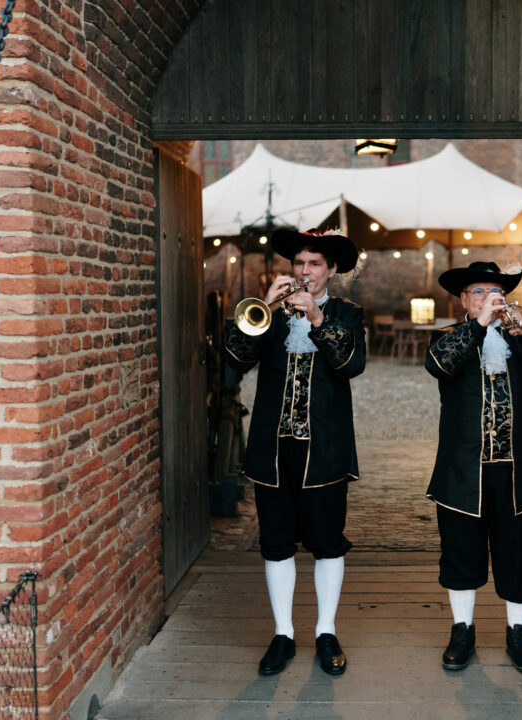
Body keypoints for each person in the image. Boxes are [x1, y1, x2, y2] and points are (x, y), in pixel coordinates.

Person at [224, 228, 365, 677]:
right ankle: (283, 633)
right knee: (276, 543)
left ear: (332, 270)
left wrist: (319, 320)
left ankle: (326, 631)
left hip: (324, 450)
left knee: (327, 544)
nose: (304, 272)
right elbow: (234, 356)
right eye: (299, 264)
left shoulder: (347, 313)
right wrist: (265, 307)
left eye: (314, 264)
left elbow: (351, 363)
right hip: (273, 450)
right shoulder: (270, 312)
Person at [424, 261, 522, 674]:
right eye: (478, 292)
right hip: (461, 469)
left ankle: (518, 633)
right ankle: (462, 630)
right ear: (463, 300)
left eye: (495, 292)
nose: (489, 298)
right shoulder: (449, 337)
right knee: (460, 551)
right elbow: (438, 366)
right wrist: (479, 326)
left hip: (516, 470)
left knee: (519, 553)